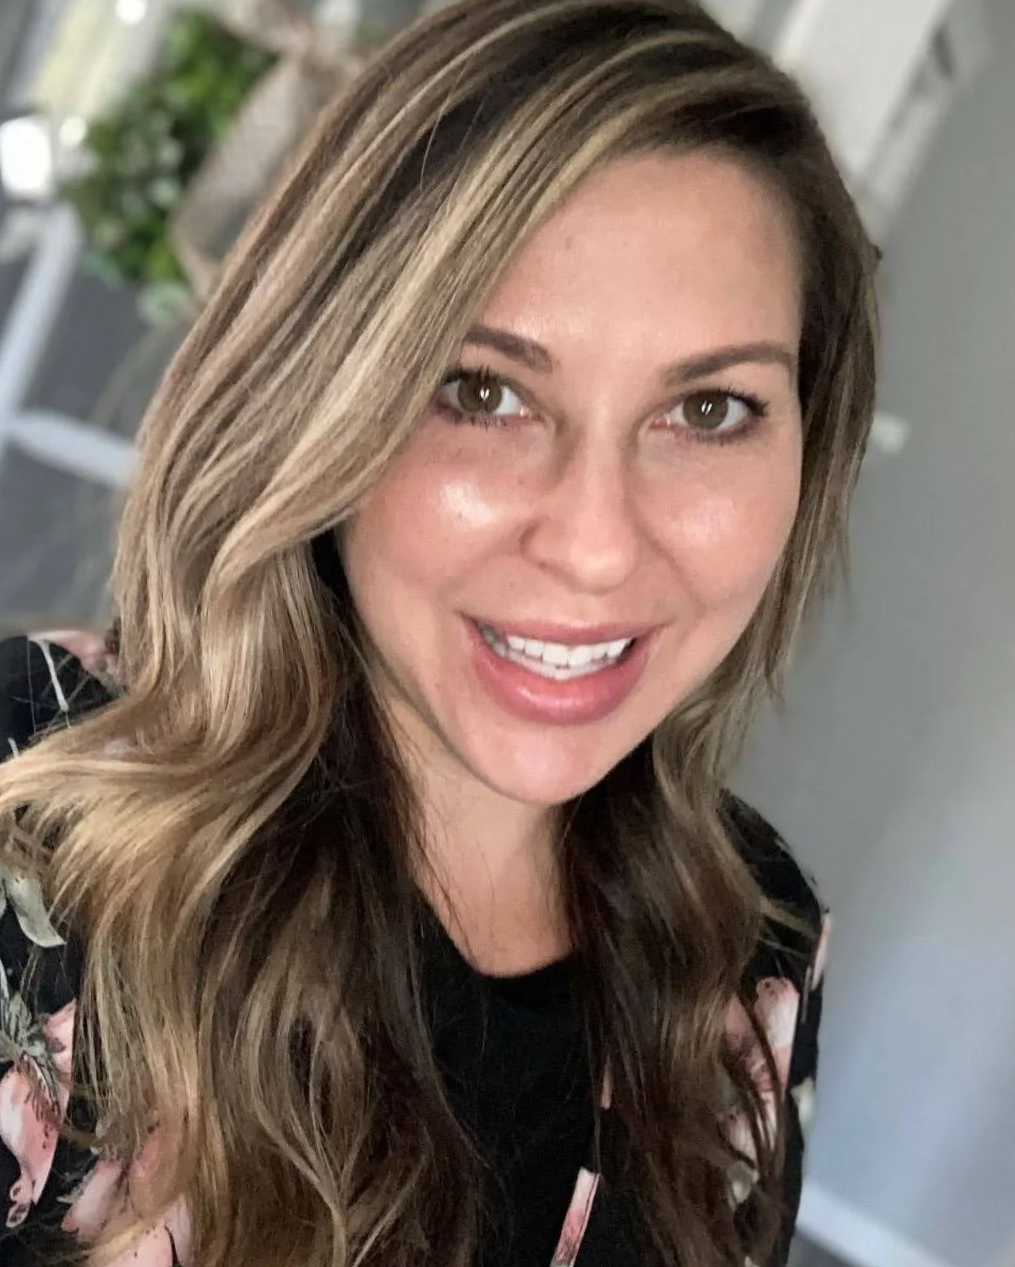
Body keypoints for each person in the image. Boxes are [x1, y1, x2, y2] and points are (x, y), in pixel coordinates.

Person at [0, 1, 876, 1264]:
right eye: (482, 391)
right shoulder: (32, 815)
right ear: (320, 395)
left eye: (708, 410)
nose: (595, 544)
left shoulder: (754, 942)